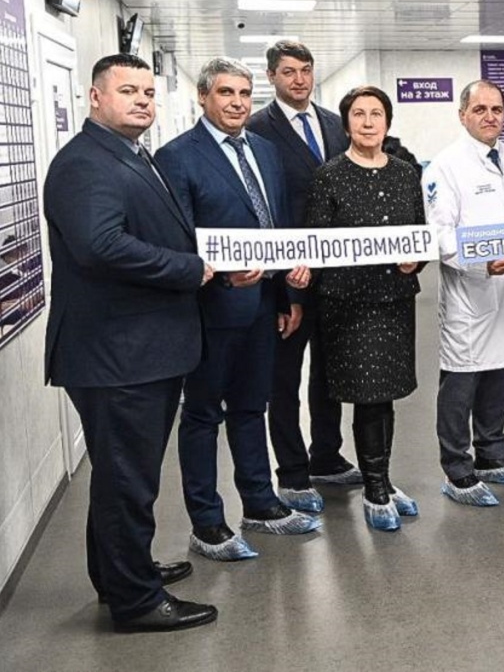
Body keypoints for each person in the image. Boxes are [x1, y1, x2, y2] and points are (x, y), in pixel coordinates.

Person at [42, 54, 215, 632]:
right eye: (127, 91)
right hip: (117, 355)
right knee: (128, 482)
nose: (142, 100)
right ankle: (137, 602)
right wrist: (189, 269)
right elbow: (101, 246)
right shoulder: (85, 163)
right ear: (95, 97)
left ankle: (120, 574)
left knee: (120, 476)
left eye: (147, 91)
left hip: (137, 350)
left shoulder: (127, 153)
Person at [155, 59, 321, 560]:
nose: (237, 103)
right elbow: (178, 239)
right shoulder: (176, 157)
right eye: (226, 92)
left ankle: (260, 503)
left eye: (244, 93)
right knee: (203, 415)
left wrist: (289, 291)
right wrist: (222, 274)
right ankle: (207, 522)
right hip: (210, 309)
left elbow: (279, 225)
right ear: (204, 97)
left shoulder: (265, 151)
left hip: (265, 304)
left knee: (252, 407)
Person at [306, 86, 428, 531]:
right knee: (368, 395)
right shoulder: (329, 175)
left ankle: (383, 480)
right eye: (359, 114)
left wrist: (416, 259)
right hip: (349, 303)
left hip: (393, 299)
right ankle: (375, 490)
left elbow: (420, 232)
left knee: (385, 395)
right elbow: (315, 240)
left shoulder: (405, 174)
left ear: (388, 122)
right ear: (346, 124)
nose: (369, 122)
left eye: (377, 113)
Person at [247, 40, 355, 513]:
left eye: (306, 70)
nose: (299, 79)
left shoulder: (334, 124)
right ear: (271, 76)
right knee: (284, 379)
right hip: (290, 279)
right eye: (289, 71)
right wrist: (284, 288)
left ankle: (326, 456)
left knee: (330, 373)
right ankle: (291, 473)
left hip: (337, 277)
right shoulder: (257, 130)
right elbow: (264, 210)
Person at [423, 80, 504, 507]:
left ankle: (493, 455)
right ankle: (457, 469)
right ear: (462, 115)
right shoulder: (445, 166)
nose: (490, 117)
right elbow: (439, 234)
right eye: (480, 109)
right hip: (469, 292)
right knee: (462, 381)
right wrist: (479, 265)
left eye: (497, 109)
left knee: (502, 370)